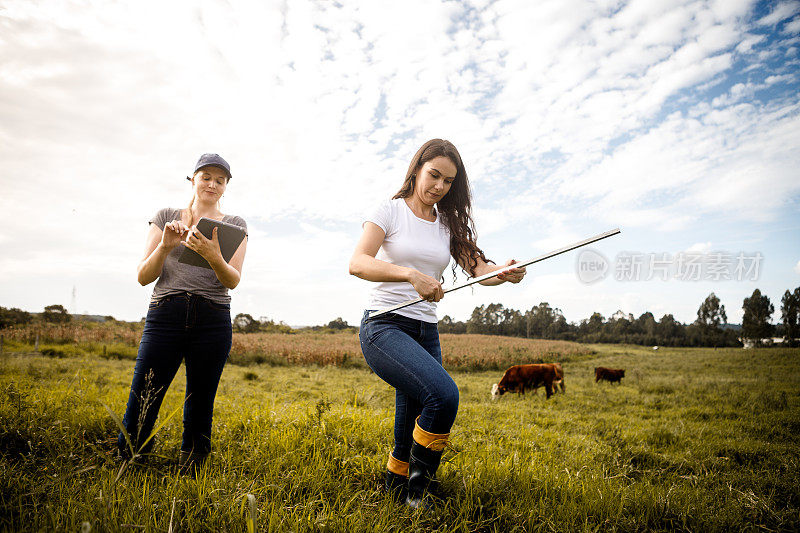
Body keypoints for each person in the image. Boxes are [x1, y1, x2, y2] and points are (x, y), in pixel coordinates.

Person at [349, 139, 526, 508]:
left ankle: (396, 486)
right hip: (384, 326)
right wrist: (410, 275)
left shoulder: (448, 223)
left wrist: (504, 273)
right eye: (433, 175)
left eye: (448, 181)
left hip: (426, 330)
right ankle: (419, 491)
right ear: (417, 169)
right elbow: (359, 263)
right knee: (443, 396)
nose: (439, 186)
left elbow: (481, 271)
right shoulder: (389, 211)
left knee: (411, 409)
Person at [118, 153, 247, 474]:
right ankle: (130, 464)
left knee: (201, 400)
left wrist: (214, 256)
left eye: (220, 180)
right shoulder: (165, 216)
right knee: (145, 393)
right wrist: (165, 246)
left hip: (213, 316)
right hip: (166, 312)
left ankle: (191, 472)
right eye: (206, 177)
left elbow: (232, 279)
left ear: (226, 186)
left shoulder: (234, 225)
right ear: (193, 179)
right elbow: (143, 276)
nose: (212, 184)